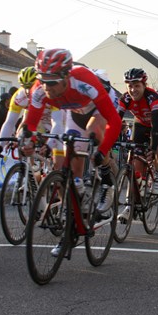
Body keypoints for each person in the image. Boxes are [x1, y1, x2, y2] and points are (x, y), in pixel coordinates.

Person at [22, 49, 121, 218]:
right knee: (74, 158)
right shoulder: (38, 90)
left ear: (66, 76)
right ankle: (78, 200)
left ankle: (107, 181)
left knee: (94, 133)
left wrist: (103, 150)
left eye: (52, 82)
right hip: (75, 111)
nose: (46, 87)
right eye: (42, 80)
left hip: (98, 107)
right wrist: (29, 141)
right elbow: (30, 123)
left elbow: (115, 121)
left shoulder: (83, 80)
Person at [117, 68, 158, 197]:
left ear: (144, 85)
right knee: (136, 163)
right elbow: (116, 121)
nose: (133, 90)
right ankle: (137, 193)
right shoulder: (125, 98)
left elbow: (155, 126)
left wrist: (153, 148)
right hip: (140, 124)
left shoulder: (153, 97)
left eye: (137, 86)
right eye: (130, 86)